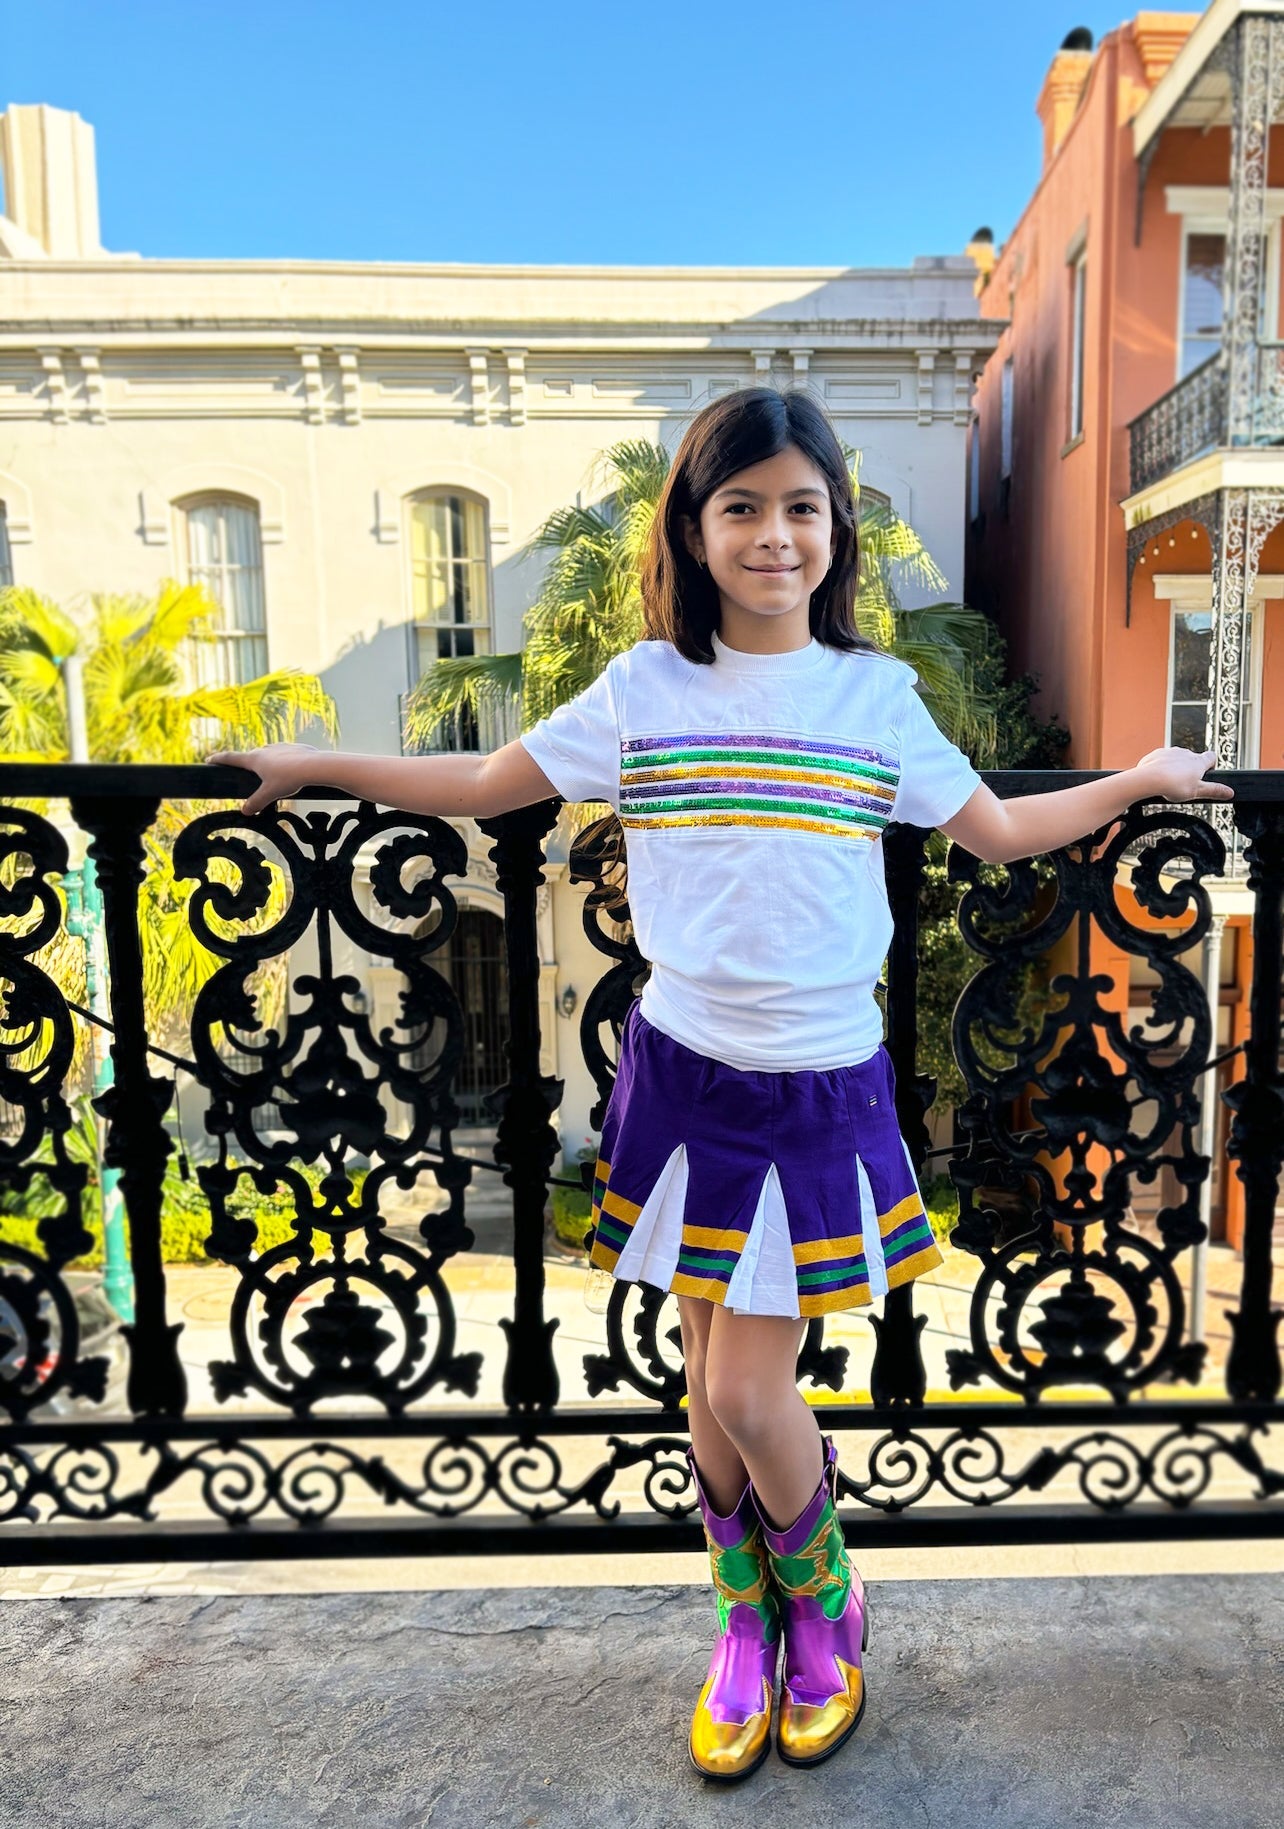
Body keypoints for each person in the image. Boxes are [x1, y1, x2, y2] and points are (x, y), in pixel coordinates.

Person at [210, 387, 1233, 1783]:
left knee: (751, 1390)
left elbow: (996, 829)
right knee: (706, 1379)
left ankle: (826, 1605)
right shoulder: (645, 690)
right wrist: (317, 764)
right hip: (684, 1072)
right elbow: (490, 781)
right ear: (693, 531)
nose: (773, 535)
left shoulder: (873, 698)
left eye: (800, 507)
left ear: (836, 530)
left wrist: (1136, 780)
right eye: (740, 507)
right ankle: (743, 1624)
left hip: (814, 1087)